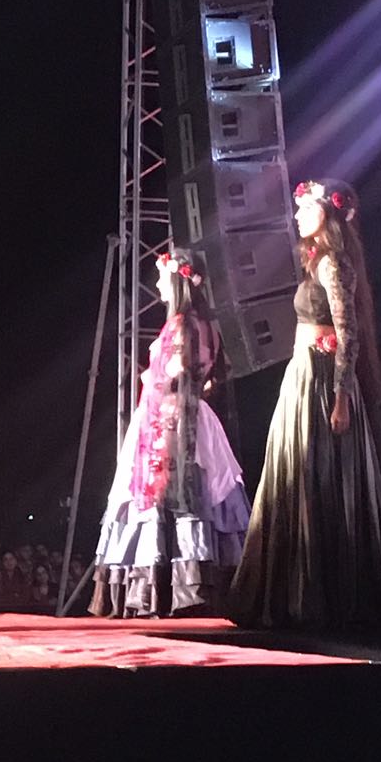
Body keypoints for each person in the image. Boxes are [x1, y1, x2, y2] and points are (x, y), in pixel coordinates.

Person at [229, 179, 381, 628]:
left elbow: (348, 333)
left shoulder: (335, 263)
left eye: (305, 209)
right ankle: (292, 594)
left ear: (327, 215)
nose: (297, 216)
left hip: (322, 382)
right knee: (293, 476)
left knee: (322, 477)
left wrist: (341, 395)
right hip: (302, 375)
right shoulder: (316, 262)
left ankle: (326, 597)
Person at [90, 251, 250, 617]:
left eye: (163, 277)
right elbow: (211, 375)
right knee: (193, 495)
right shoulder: (205, 325)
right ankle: (192, 584)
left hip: (170, 418)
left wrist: (157, 378)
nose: (159, 284)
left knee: (171, 495)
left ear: (178, 281)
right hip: (190, 415)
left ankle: (172, 590)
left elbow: (179, 372)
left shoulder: (182, 324)